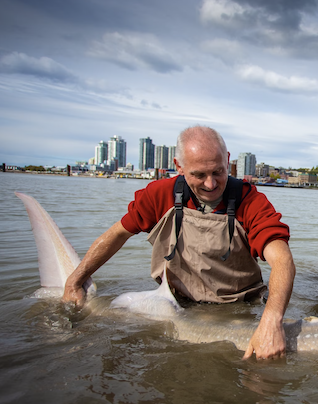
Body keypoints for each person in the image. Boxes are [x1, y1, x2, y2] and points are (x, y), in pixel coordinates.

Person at [63, 125, 296, 360]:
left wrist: (271, 320)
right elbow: (116, 235)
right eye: (198, 175)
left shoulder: (250, 200)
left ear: (227, 161)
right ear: (179, 167)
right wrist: (74, 281)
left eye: (218, 172)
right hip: (175, 302)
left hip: (237, 306)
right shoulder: (159, 194)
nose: (210, 184)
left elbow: (283, 260)